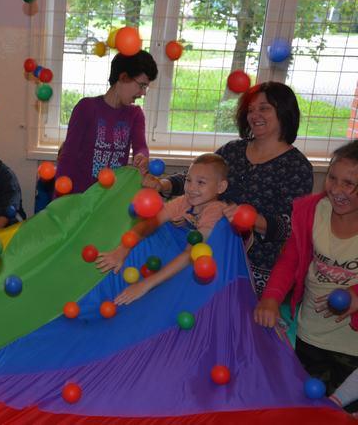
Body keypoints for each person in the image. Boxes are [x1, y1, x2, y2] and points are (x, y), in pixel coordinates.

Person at [145, 82, 313, 296]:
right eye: (250, 110)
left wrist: (252, 219)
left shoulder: (297, 166)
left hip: (255, 272)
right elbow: (200, 176)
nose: (255, 115)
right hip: (209, 256)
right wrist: (163, 184)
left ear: (284, 112)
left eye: (264, 108)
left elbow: (292, 227)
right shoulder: (233, 150)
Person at [254, 140, 358, 412]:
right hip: (312, 334)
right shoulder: (314, 211)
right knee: (305, 408)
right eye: (332, 178)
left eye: (349, 183)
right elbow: (290, 259)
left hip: (353, 345)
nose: (336, 190)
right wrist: (271, 298)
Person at [95, 153, 228, 304]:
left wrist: (144, 285)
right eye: (188, 180)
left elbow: (190, 254)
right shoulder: (184, 201)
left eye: (201, 182)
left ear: (220, 187)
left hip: (191, 272)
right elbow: (151, 223)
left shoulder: (215, 210)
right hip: (166, 258)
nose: (191, 188)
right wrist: (123, 249)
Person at [55, 50, 158, 194]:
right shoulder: (87, 108)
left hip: (110, 198)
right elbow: (68, 157)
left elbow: (140, 146)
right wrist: (59, 198)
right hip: (80, 196)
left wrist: (141, 156)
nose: (143, 93)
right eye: (141, 85)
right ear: (123, 77)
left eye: (145, 87)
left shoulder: (135, 114)